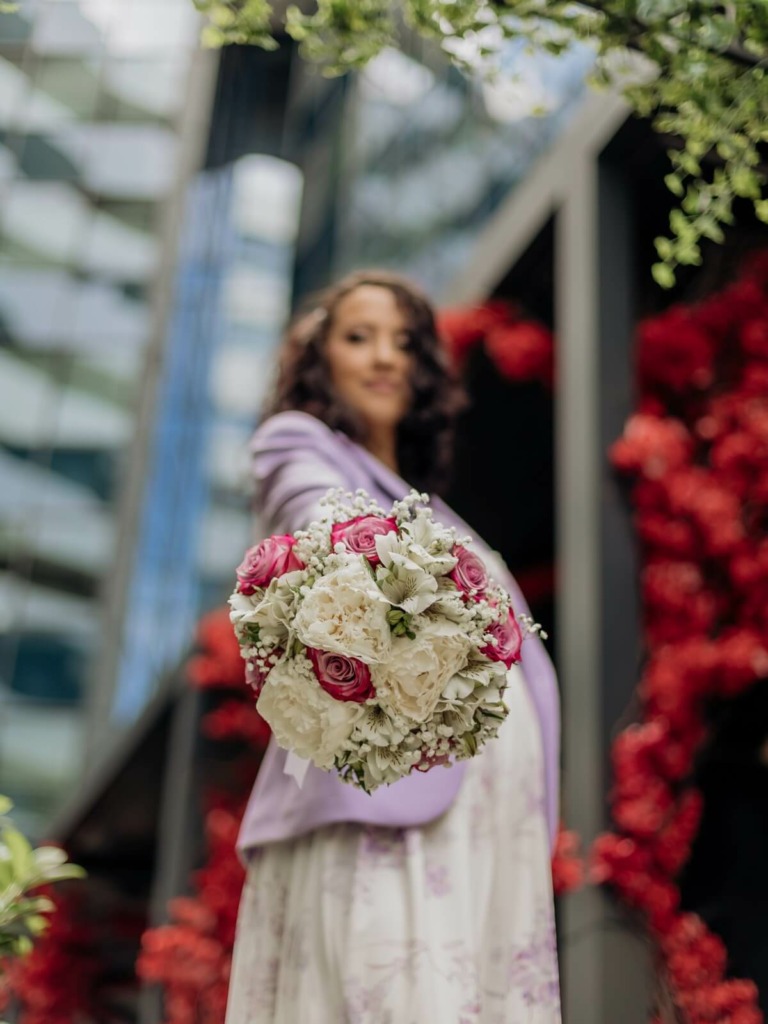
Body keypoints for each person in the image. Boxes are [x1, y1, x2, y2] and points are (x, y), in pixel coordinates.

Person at [225, 269, 562, 1023]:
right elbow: (319, 513)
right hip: (383, 803)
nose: (383, 357)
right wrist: (353, 549)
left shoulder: (427, 504)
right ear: (321, 360)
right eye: (358, 337)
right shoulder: (300, 444)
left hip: (479, 828)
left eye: (403, 342)